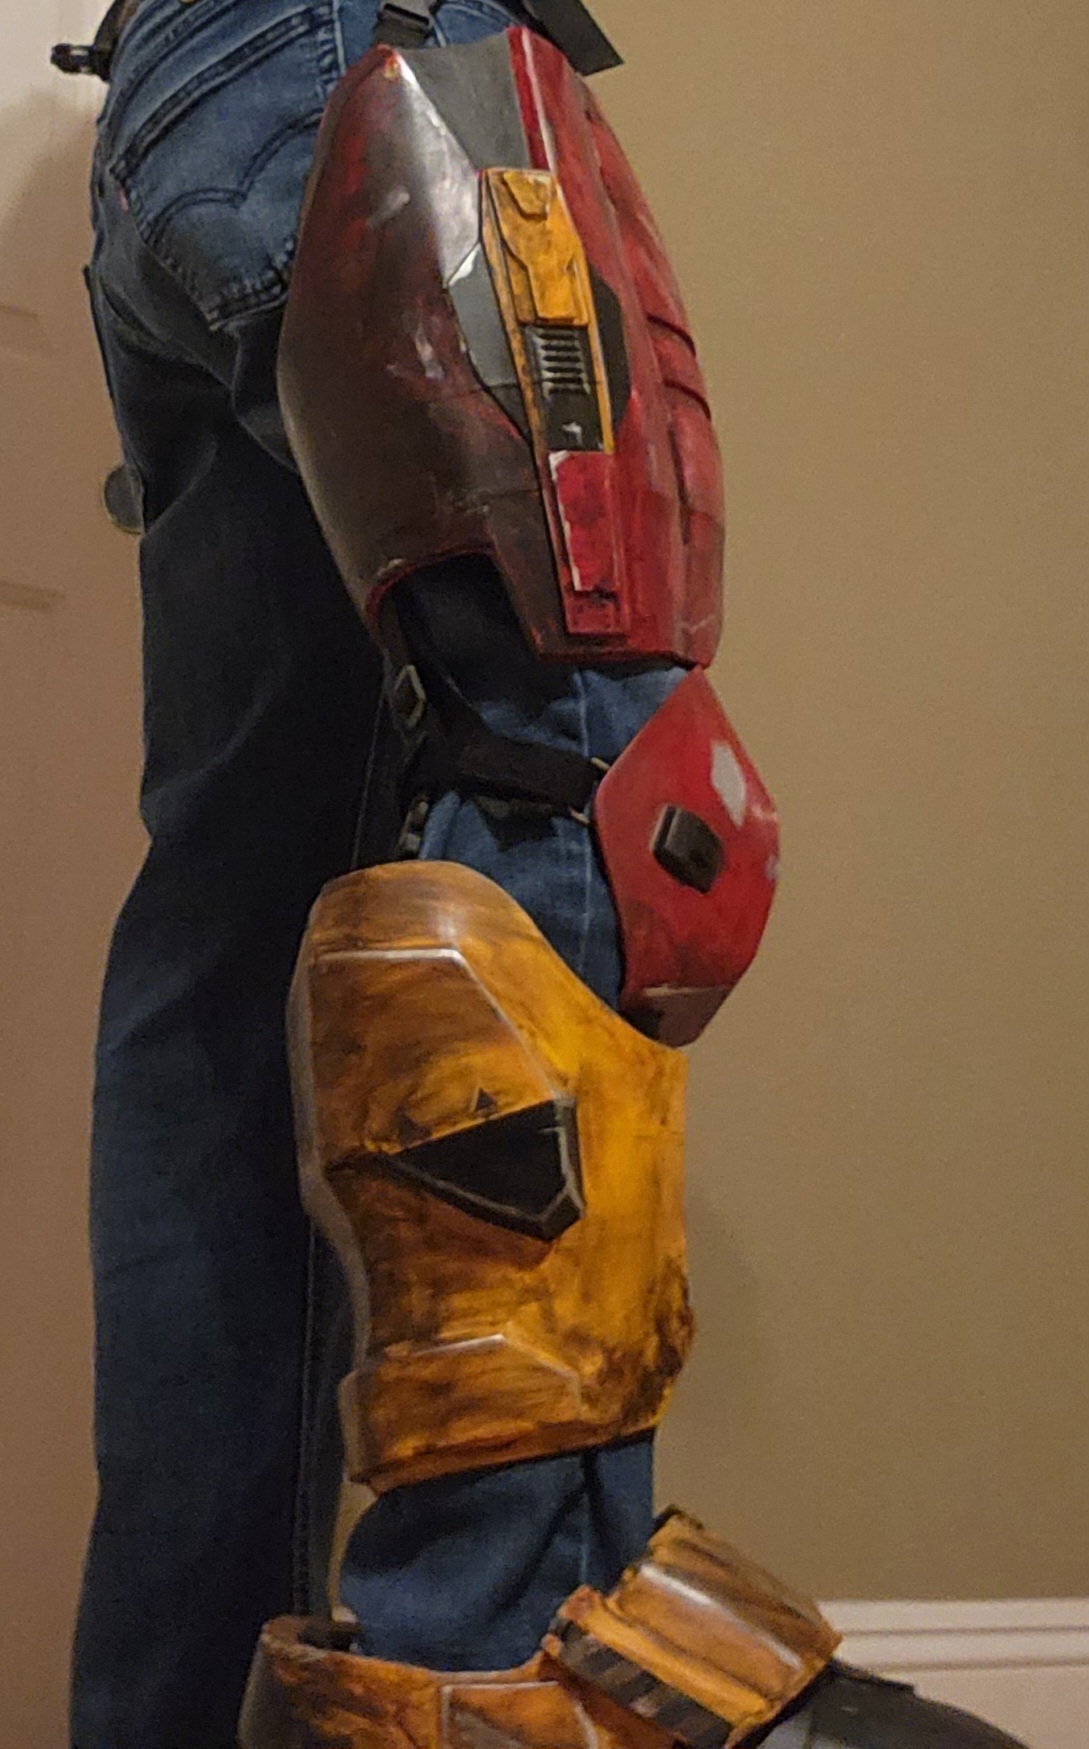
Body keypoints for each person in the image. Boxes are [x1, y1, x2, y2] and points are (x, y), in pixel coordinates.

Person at [62, 4, 1026, 1747]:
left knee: (235, 959)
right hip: (359, 48)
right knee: (581, 775)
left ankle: (186, 1711)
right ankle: (509, 1656)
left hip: (182, 98)